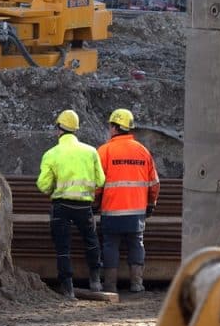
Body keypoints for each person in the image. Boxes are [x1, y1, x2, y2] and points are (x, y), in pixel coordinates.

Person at [37, 109, 105, 298]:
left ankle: (68, 288)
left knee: (63, 247)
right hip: (84, 207)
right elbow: (100, 181)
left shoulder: (51, 154)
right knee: (91, 242)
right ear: (75, 129)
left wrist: (53, 188)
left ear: (59, 129)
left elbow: (43, 185)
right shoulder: (91, 152)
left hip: (61, 207)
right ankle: (95, 281)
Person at [96, 108, 159, 293]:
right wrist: (150, 204)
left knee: (110, 245)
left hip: (112, 211)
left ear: (115, 127)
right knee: (136, 244)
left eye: (110, 126)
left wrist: (96, 202)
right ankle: (137, 283)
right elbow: (154, 183)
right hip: (137, 212)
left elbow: (97, 183)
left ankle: (109, 285)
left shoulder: (105, 151)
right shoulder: (142, 151)